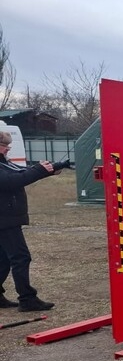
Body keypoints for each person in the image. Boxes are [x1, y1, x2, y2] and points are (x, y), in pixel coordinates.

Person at [0, 131, 60, 312]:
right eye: (5, 147)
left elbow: (21, 173)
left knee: (3, 259)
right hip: (4, 219)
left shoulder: (3, 162)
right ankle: (27, 299)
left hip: (6, 217)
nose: (7, 150)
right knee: (20, 257)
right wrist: (39, 171)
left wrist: (46, 171)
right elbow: (11, 181)